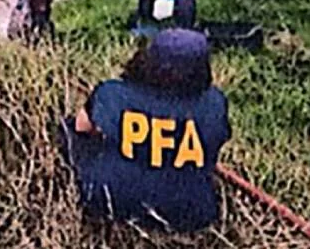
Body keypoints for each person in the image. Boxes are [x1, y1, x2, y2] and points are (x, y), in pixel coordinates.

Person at [60, 29, 232, 233]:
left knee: (68, 131)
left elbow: (81, 127)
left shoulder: (113, 93)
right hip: (191, 213)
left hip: (110, 199)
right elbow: (217, 142)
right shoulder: (214, 103)